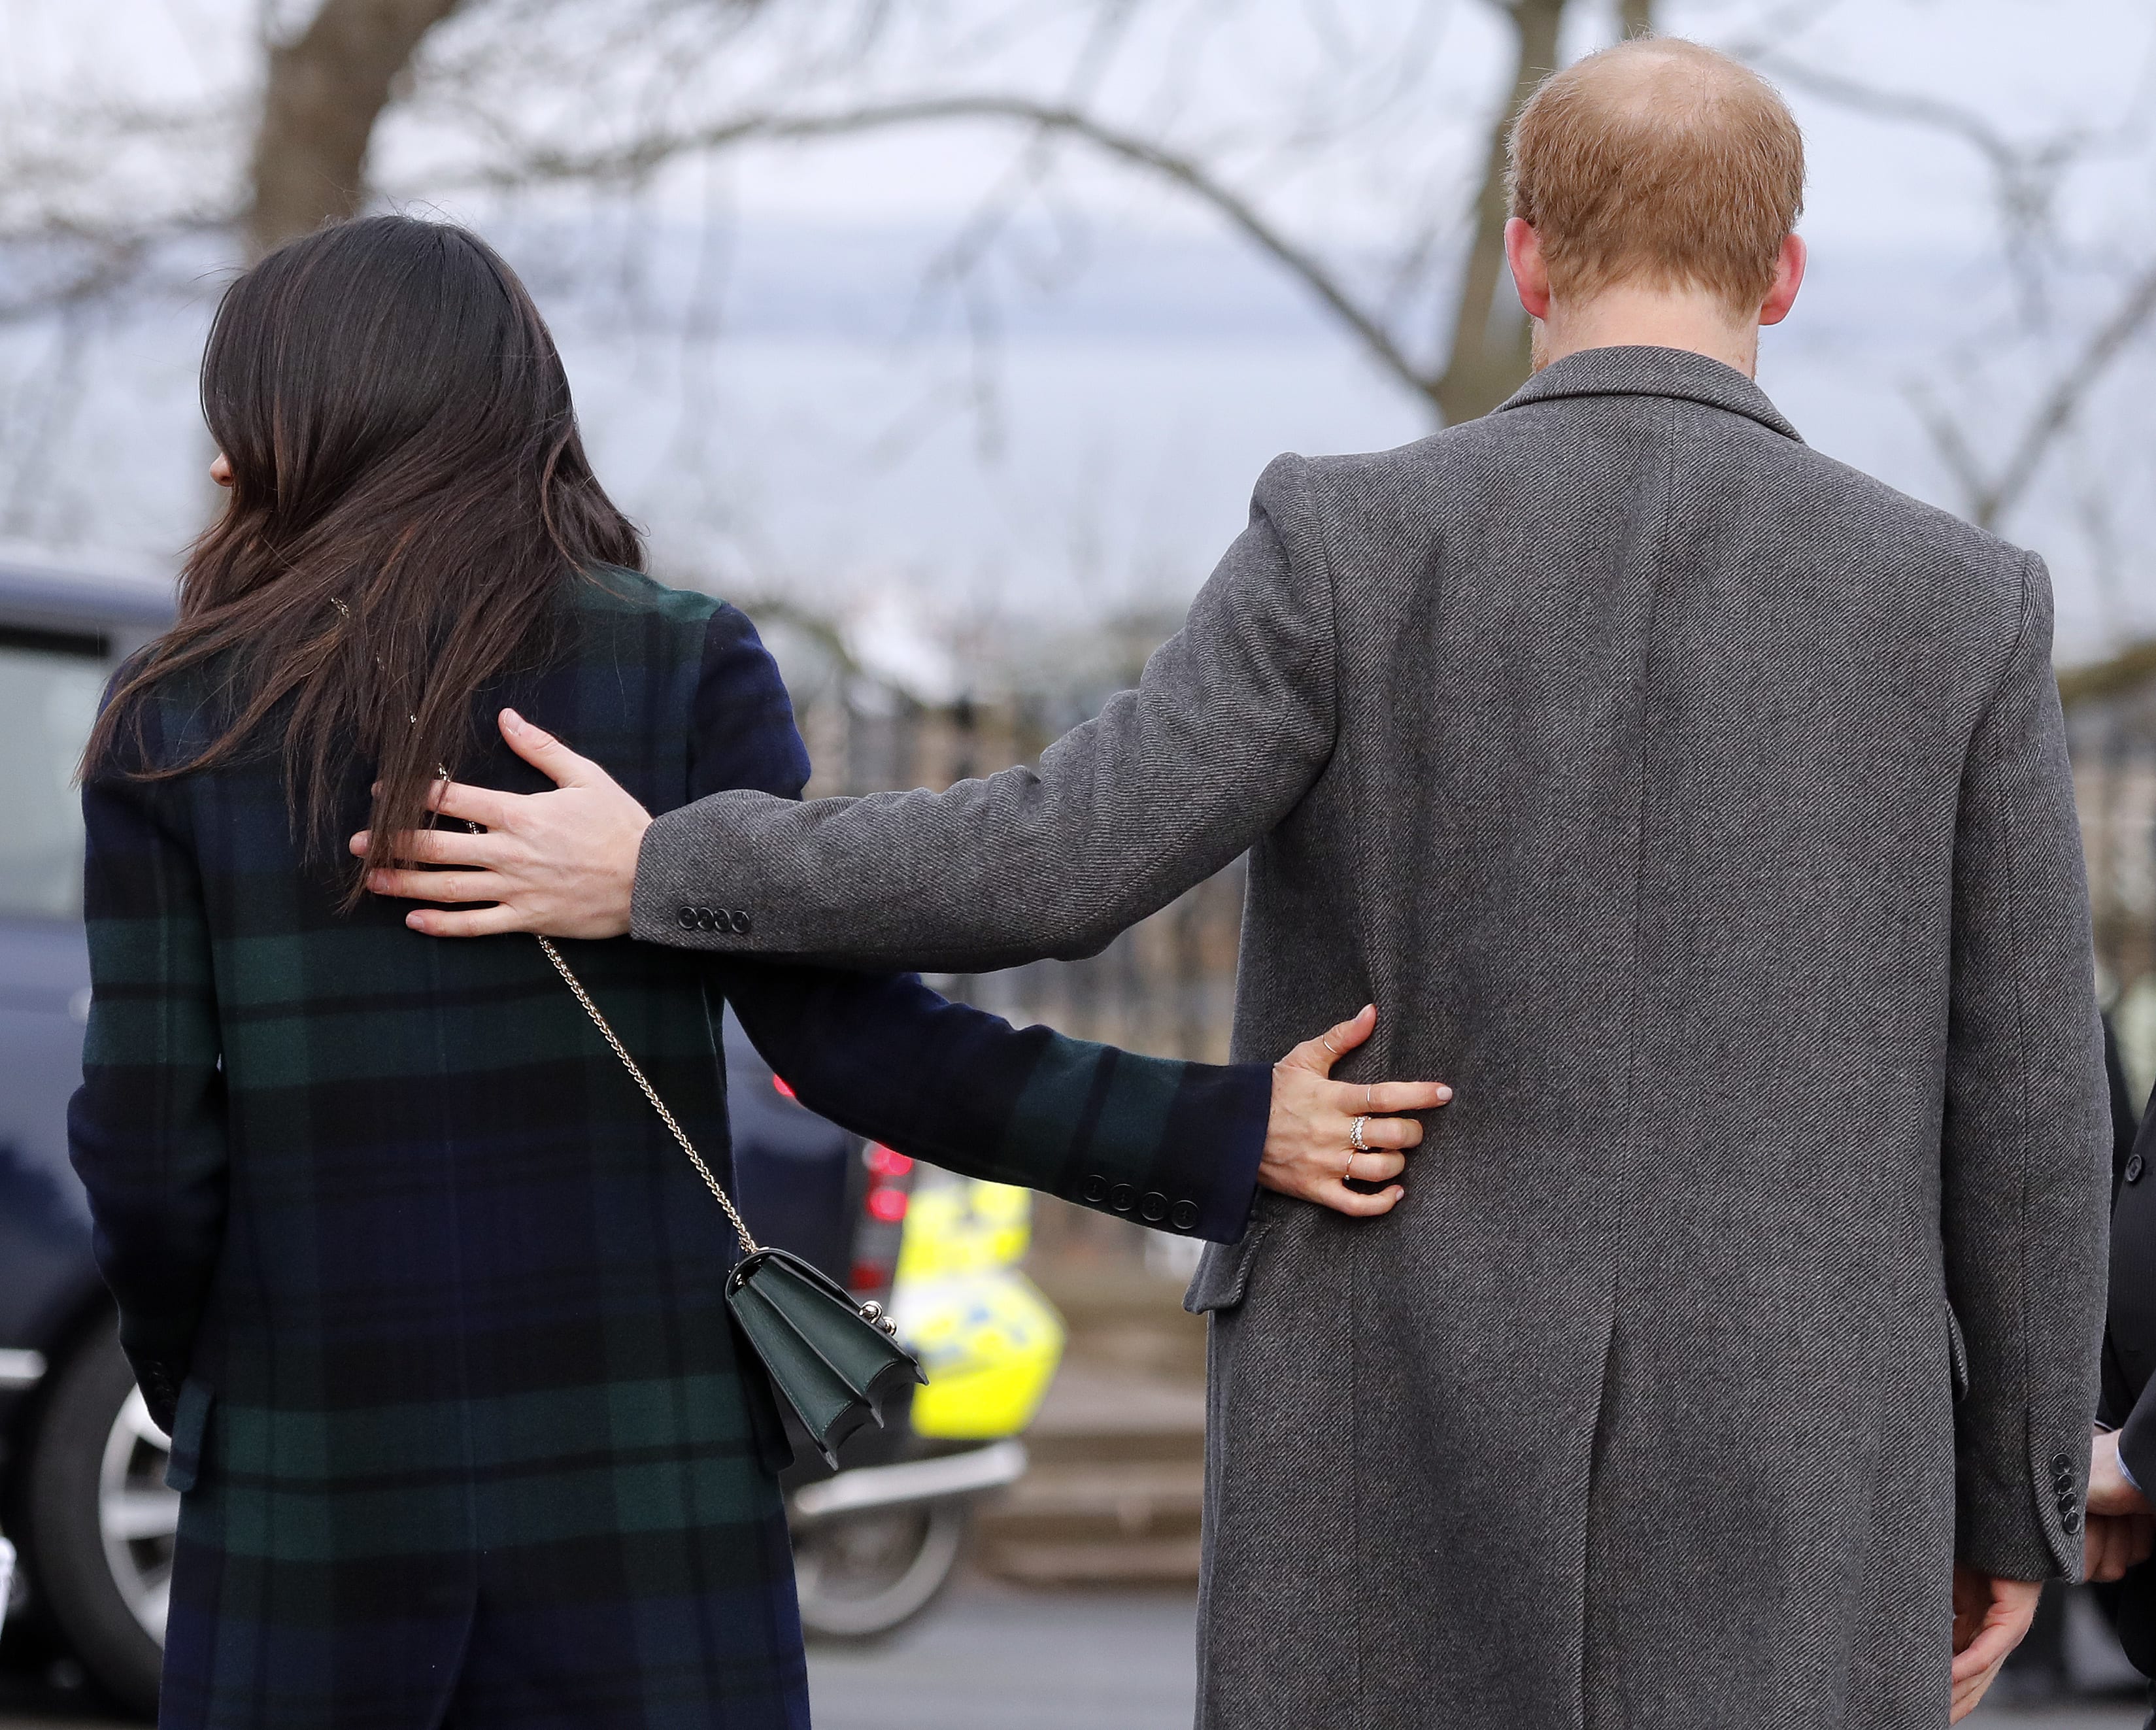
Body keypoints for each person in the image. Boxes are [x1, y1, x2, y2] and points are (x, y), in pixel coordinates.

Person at [366, 38, 2114, 1730]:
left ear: (1526, 258)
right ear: (1785, 272)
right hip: (1810, 1456)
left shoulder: (1349, 538)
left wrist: (667, 862)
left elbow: (1055, 853)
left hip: (1391, 1422)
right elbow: (2030, 1104)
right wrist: (2019, 1492)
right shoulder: (1964, 604)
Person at [67, 214, 1447, 1730]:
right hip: (638, 1506)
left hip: (310, 1496)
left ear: (292, 427)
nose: (219, 460)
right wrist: (1225, 1129)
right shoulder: (674, 667)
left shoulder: (178, 720)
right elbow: (864, 1051)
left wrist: (223, 1398)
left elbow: (144, 1151)